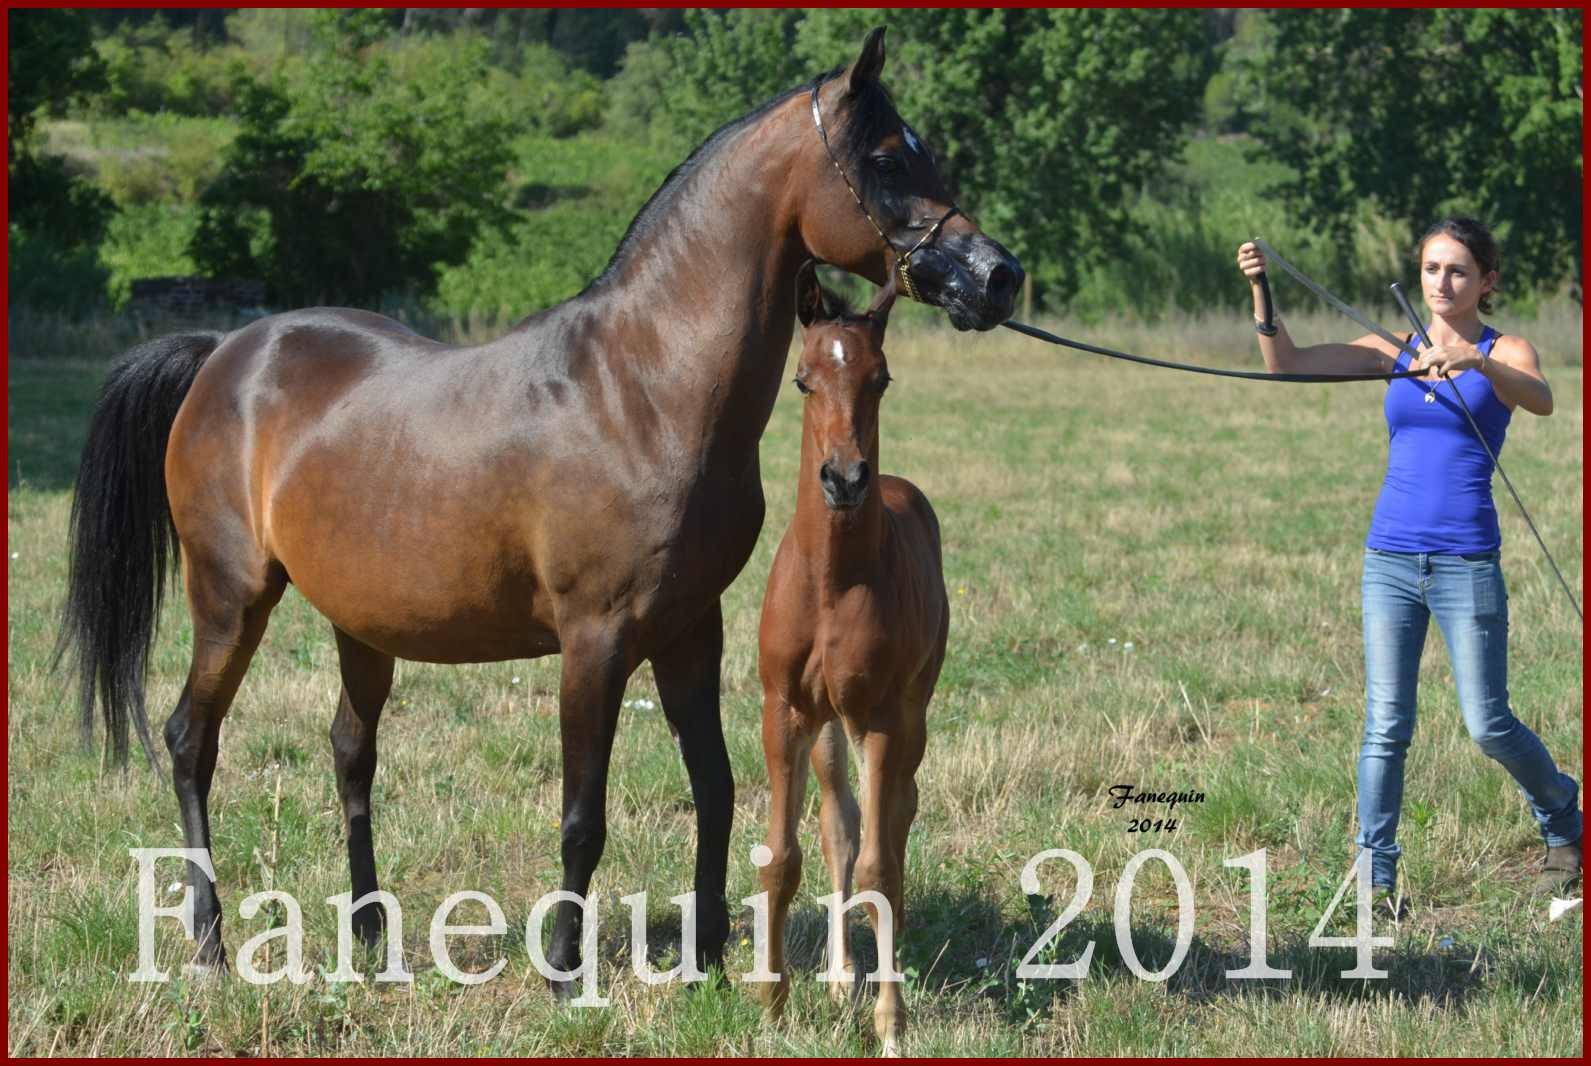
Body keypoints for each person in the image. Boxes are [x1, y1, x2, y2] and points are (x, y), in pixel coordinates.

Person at [1235, 218, 1582, 906]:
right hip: (1388, 558)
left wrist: (1477, 365)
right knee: (1385, 723)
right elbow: (1287, 365)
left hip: (1464, 560)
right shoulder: (1394, 347)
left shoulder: (1502, 347)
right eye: (1430, 269)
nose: (1441, 282)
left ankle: (1563, 818)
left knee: (1487, 724)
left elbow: (1539, 400)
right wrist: (1260, 291)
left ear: (1485, 280)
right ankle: (1376, 875)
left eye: (1456, 271)